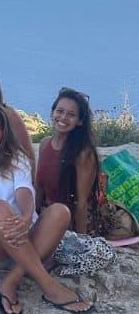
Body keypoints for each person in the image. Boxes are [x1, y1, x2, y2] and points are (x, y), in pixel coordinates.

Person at [0, 102, 94, 314]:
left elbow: (24, 189)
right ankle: (49, 286)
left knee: (60, 211)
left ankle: (10, 282)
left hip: (24, 236)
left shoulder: (16, 157)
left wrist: (27, 217)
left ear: (3, 130)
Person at [36, 88, 100, 235]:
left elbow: (82, 203)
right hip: (48, 214)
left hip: (70, 220)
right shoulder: (45, 144)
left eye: (71, 115)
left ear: (79, 121)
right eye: (59, 111)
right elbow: (39, 187)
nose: (63, 117)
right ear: (53, 112)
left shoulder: (83, 154)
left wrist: (81, 241)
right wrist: (33, 217)